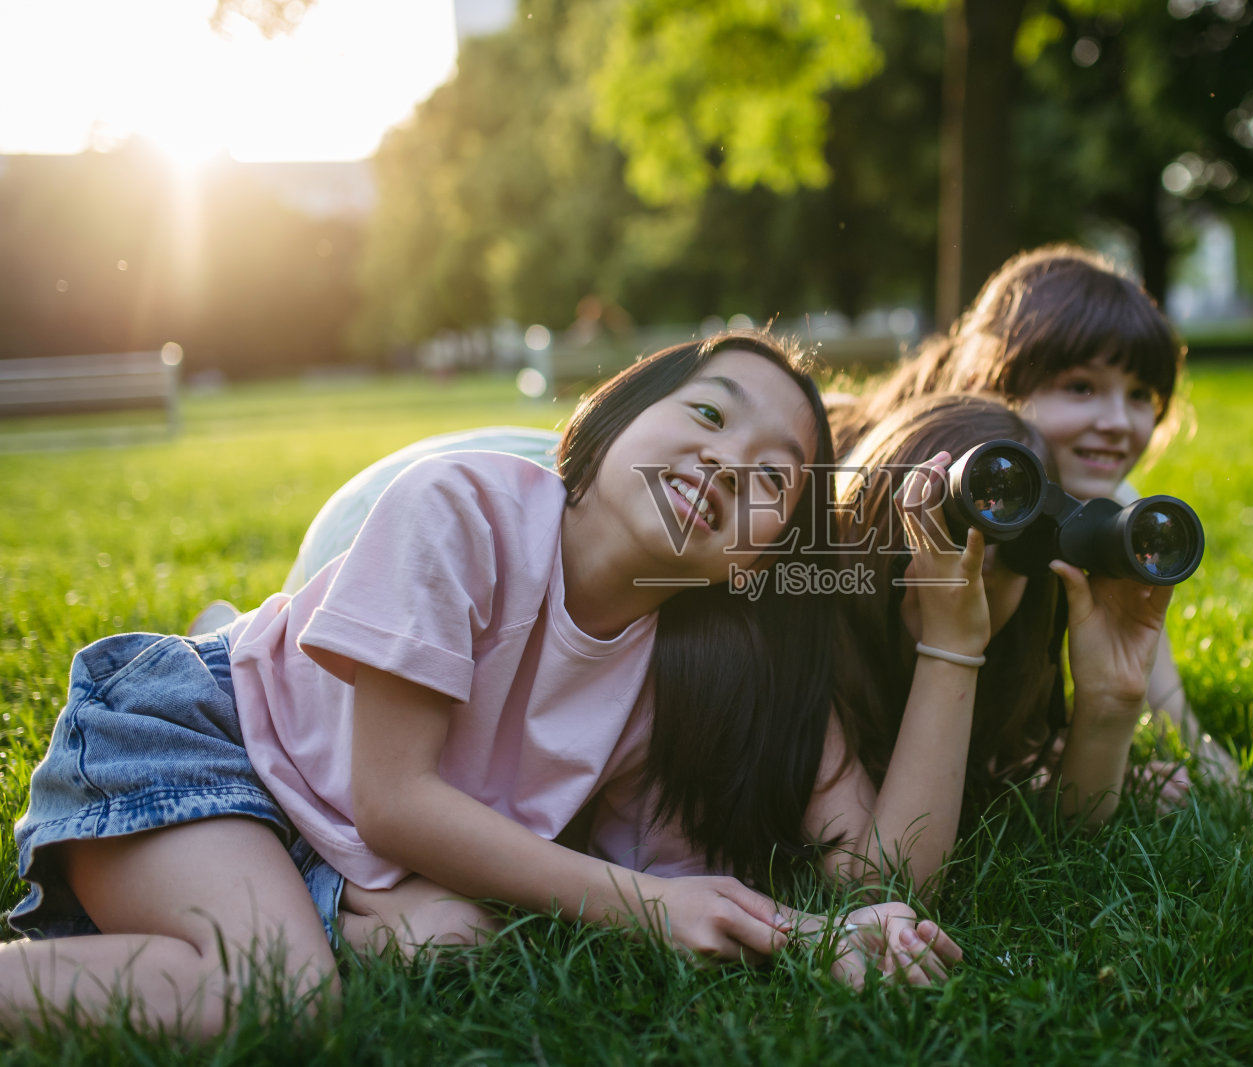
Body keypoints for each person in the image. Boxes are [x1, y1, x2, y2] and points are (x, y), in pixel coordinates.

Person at [1, 332, 958, 1039]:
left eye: (774, 476)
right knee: (280, 1000)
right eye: (708, 413)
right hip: (214, 739)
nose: (726, 459)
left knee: (459, 933)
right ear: (615, 416)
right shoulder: (463, 508)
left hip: (331, 823)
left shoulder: (680, 680)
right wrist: (647, 904)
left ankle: (329, 907)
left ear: (758, 560)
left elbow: (693, 891)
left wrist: (817, 937)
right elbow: (395, 800)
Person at [832, 244, 1237, 790]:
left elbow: (1172, 721)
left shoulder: (1111, 507)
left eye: (1141, 395)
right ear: (989, 383)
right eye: (1080, 387)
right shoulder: (876, 478)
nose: (1118, 422)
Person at [816, 392, 1178, 891]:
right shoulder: (800, 658)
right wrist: (951, 650)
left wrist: (1109, 705)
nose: (973, 559)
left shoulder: (1009, 669)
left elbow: (1070, 838)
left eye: (1014, 539)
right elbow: (885, 884)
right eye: (949, 522)